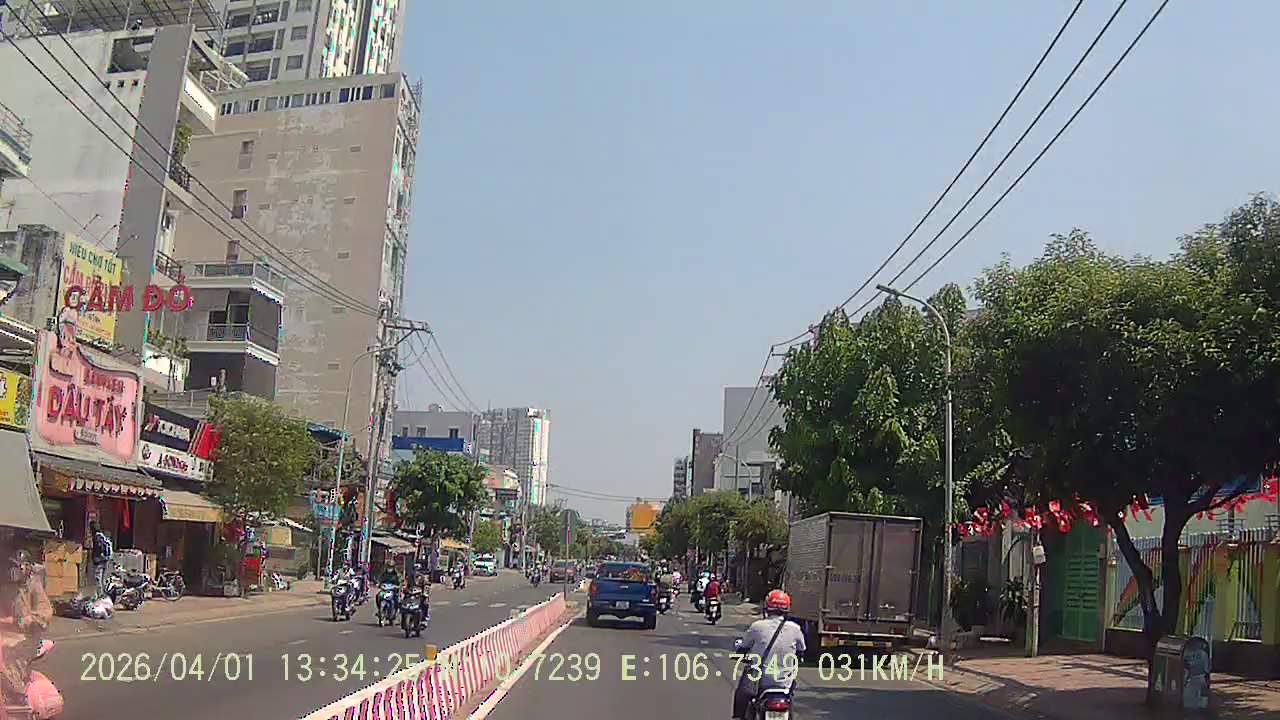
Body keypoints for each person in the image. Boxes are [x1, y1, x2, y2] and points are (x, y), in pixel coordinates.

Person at [732, 589, 804, 720]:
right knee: (790, 697)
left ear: (767, 607)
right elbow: (801, 650)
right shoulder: (795, 629)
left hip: (759, 681)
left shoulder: (757, 627)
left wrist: (740, 650)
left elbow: (743, 646)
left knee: (742, 695)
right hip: (784, 683)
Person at [0, 548, 52, 703]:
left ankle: (18, 696)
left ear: (28, 567)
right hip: (7, 633)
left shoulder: (34, 586)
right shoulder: (8, 587)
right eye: (14, 566)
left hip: (28, 637)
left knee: (9, 656)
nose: (15, 570)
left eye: (19, 566)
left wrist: (20, 621)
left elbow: (45, 613)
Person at [88, 520, 113, 597]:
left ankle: (100, 595)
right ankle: (103, 594)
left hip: (99, 560)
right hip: (105, 560)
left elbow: (99, 547)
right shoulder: (102, 536)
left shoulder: (96, 537)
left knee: (98, 578)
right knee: (102, 579)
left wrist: (98, 555)